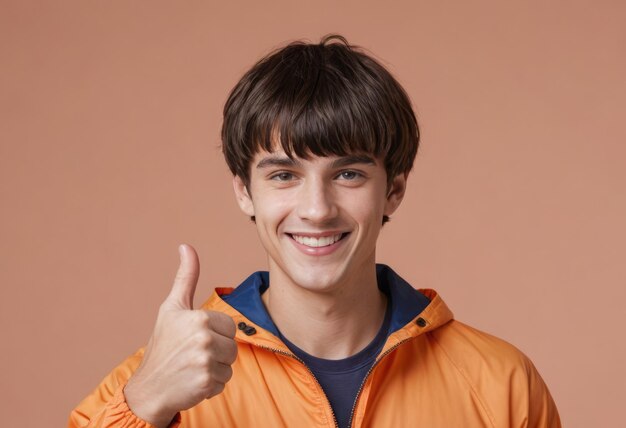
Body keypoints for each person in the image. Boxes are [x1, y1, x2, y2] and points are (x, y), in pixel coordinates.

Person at [69, 34, 561, 428]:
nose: (317, 209)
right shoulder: (160, 381)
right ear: (244, 191)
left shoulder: (501, 384)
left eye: (348, 175)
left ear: (394, 189)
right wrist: (143, 405)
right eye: (283, 176)